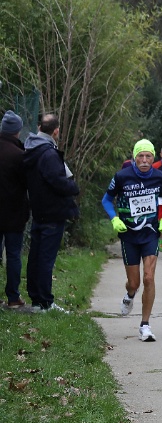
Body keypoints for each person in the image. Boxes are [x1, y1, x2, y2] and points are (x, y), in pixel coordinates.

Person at [101, 139, 162, 341]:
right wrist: (114, 218)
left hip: (150, 232)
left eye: (148, 156)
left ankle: (145, 325)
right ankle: (130, 294)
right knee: (133, 283)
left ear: (153, 157)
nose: (144, 160)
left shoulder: (160, 177)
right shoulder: (122, 176)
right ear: (134, 157)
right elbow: (106, 199)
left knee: (149, 278)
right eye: (140, 156)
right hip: (129, 233)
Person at [23, 114, 79, 313]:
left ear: (39, 128)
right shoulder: (48, 154)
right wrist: (73, 187)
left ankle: (36, 299)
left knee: (36, 257)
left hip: (38, 211)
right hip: (53, 212)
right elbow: (57, 181)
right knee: (46, 259)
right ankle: (46, 302)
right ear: (56, 131)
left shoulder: (30, 149)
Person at [0, 110, 29, 309]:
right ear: (17, 131)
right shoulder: (19, 155)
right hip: (14, 213)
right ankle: (13, 297)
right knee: (13, 255)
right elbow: (27, 183)